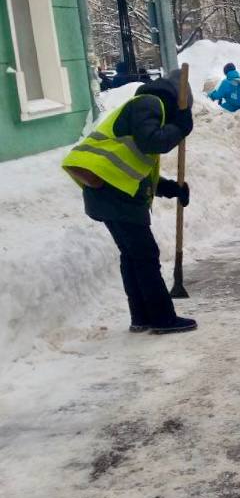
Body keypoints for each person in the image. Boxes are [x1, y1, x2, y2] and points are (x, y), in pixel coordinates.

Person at [62, 68, 197, 334]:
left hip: (111, 192)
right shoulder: (149, 103)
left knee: (134, 256)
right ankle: (161, 318)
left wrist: (172, 189)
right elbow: (151, 143)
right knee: (145, 256)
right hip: (112, 193)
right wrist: (180, 127)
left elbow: (135, 168)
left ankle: (142, 317)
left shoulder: (145, 109)